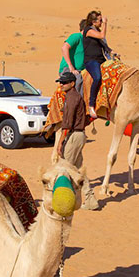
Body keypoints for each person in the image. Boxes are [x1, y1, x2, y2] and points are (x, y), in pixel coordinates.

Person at [53, 71, 99, 210]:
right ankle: (90, 199)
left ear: (72, 84)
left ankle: (62, 200)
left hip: (74, 135)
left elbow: (68, 123)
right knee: (78, 170)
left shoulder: (72, 98)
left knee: (64, 167)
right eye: (61, 82)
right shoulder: (72, 97)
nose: (61, 84)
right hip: (77, 134)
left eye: (64, 82)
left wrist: (60, 141)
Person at [82, 10, 113, 118]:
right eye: (100, 20)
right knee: (97, 78)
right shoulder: (88, 30)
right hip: (91, 61)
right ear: (93, 21)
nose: (101, 22)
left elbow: (103, 44)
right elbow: (101, 35)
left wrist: (111, 52)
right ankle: (91, 105)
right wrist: (105, 23)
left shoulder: (95, 30)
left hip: (101, 59)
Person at [59, 19, 86, 95]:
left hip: (80, 70)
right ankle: (76, 103)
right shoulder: (77, 36)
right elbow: (64, 48)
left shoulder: (87, 41)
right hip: (68, 69)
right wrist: (71, 67)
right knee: (78, 81)